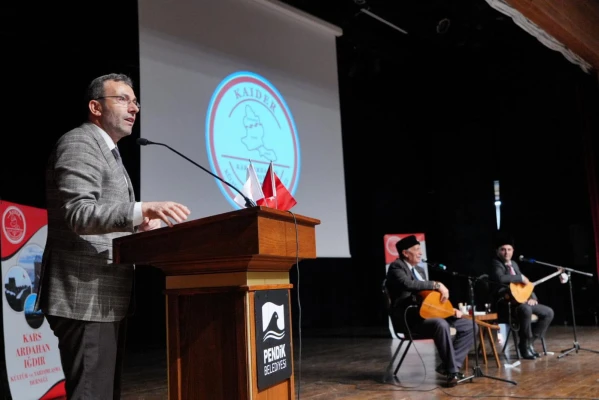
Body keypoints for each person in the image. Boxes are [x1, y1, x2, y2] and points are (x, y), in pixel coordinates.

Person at [36, 73, 191, 399]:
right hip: (83, 296)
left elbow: (101, 214)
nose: (134, 108)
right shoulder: (80, 143)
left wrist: (137, 226)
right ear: (95, 107)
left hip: (101, 296)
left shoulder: (109, 151)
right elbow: (79, 213)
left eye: (135, 102)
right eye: (123, 99)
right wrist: (142, 209)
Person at [385, 235, 475, 387]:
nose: (420, 253)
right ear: (405, 253)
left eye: (420, 249)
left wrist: (447, 309)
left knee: (469, 326)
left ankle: (448, 366)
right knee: (440, 324)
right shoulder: (396, 267)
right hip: (411, 319)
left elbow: (428, 298)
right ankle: (452, 372)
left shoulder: (420, 270)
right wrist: (437, 284)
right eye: (416, 250)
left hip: (429, 314)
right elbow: (408, 284)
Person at [490, 235, 556, 360]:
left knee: (548, 312)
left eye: (509, 249)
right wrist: (520, 277)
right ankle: (524, 346)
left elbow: (526, 285)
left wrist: (533, 297)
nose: (506, 252)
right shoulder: (495, 263)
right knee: (526, 309)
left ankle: (528, 342)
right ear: (497, 251)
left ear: (513, 251)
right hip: (506, 305)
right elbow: (501, 278)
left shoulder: (514, 264)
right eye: (503, 249)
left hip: (521, 302)